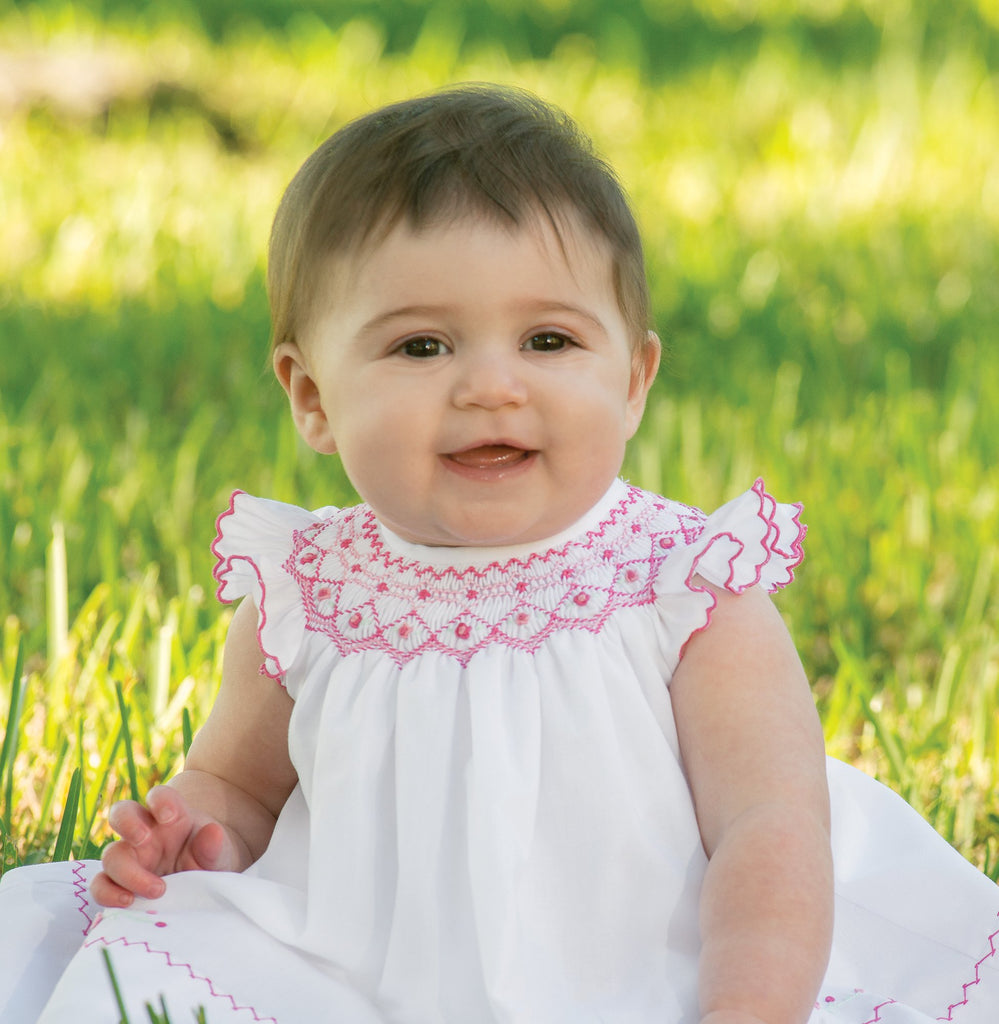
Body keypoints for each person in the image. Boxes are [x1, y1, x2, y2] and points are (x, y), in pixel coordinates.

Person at [0, 84, 996, 1024]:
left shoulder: (682, 586)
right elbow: (241, 785)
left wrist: (746, 1004)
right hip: (357, 968)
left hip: (654, 964)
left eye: (549, 342)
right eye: (422, 347)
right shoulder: (309, 589)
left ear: (635, 378)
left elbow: (770, 825)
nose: (491, 385)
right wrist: (193, 833)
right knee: (137, 975)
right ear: (311, 397)